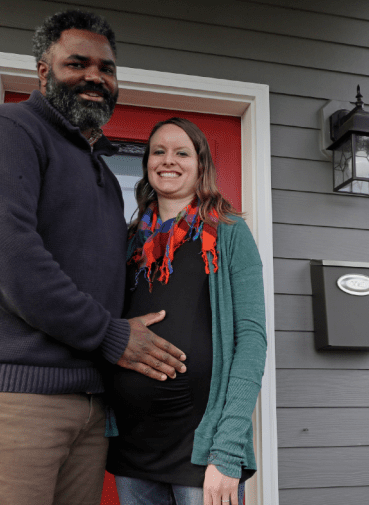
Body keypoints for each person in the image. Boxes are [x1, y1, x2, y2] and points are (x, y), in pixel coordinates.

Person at [0, 10, 187, 505]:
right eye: (78, 63)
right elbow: (10, 257)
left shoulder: (100, 173)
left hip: (89, 404)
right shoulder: (3, 130)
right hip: (11, 397)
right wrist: (111, 335)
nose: (95, 76)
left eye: (107, 68)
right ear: (43, 71)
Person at [105, 118, 268, 505]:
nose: (168, 160)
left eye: (182, 152)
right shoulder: (129, 242)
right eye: (158, 151)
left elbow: (251, 340)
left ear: (201, 164)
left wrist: (227, 452)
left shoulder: (228, 233)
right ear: (146, 163)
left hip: (202, 447)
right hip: (134, 445)